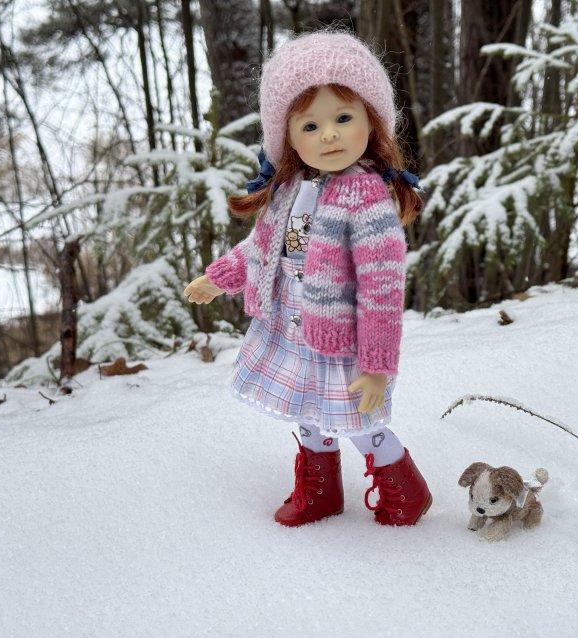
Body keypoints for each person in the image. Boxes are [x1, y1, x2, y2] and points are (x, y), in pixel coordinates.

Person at [183, 31, 431, 528]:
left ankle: (406, 486)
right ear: (288, 136)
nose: (329, 136)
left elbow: (382, 293)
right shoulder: (291, 189)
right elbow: (261, 248)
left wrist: (377, 364)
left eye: (343, 118)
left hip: (342, 343)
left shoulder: (367, 199)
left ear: (371, 121)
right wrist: (220, 277)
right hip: (291, 332)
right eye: (310, 124)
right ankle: (321, 490)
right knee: (307, 411)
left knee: (359, 420)